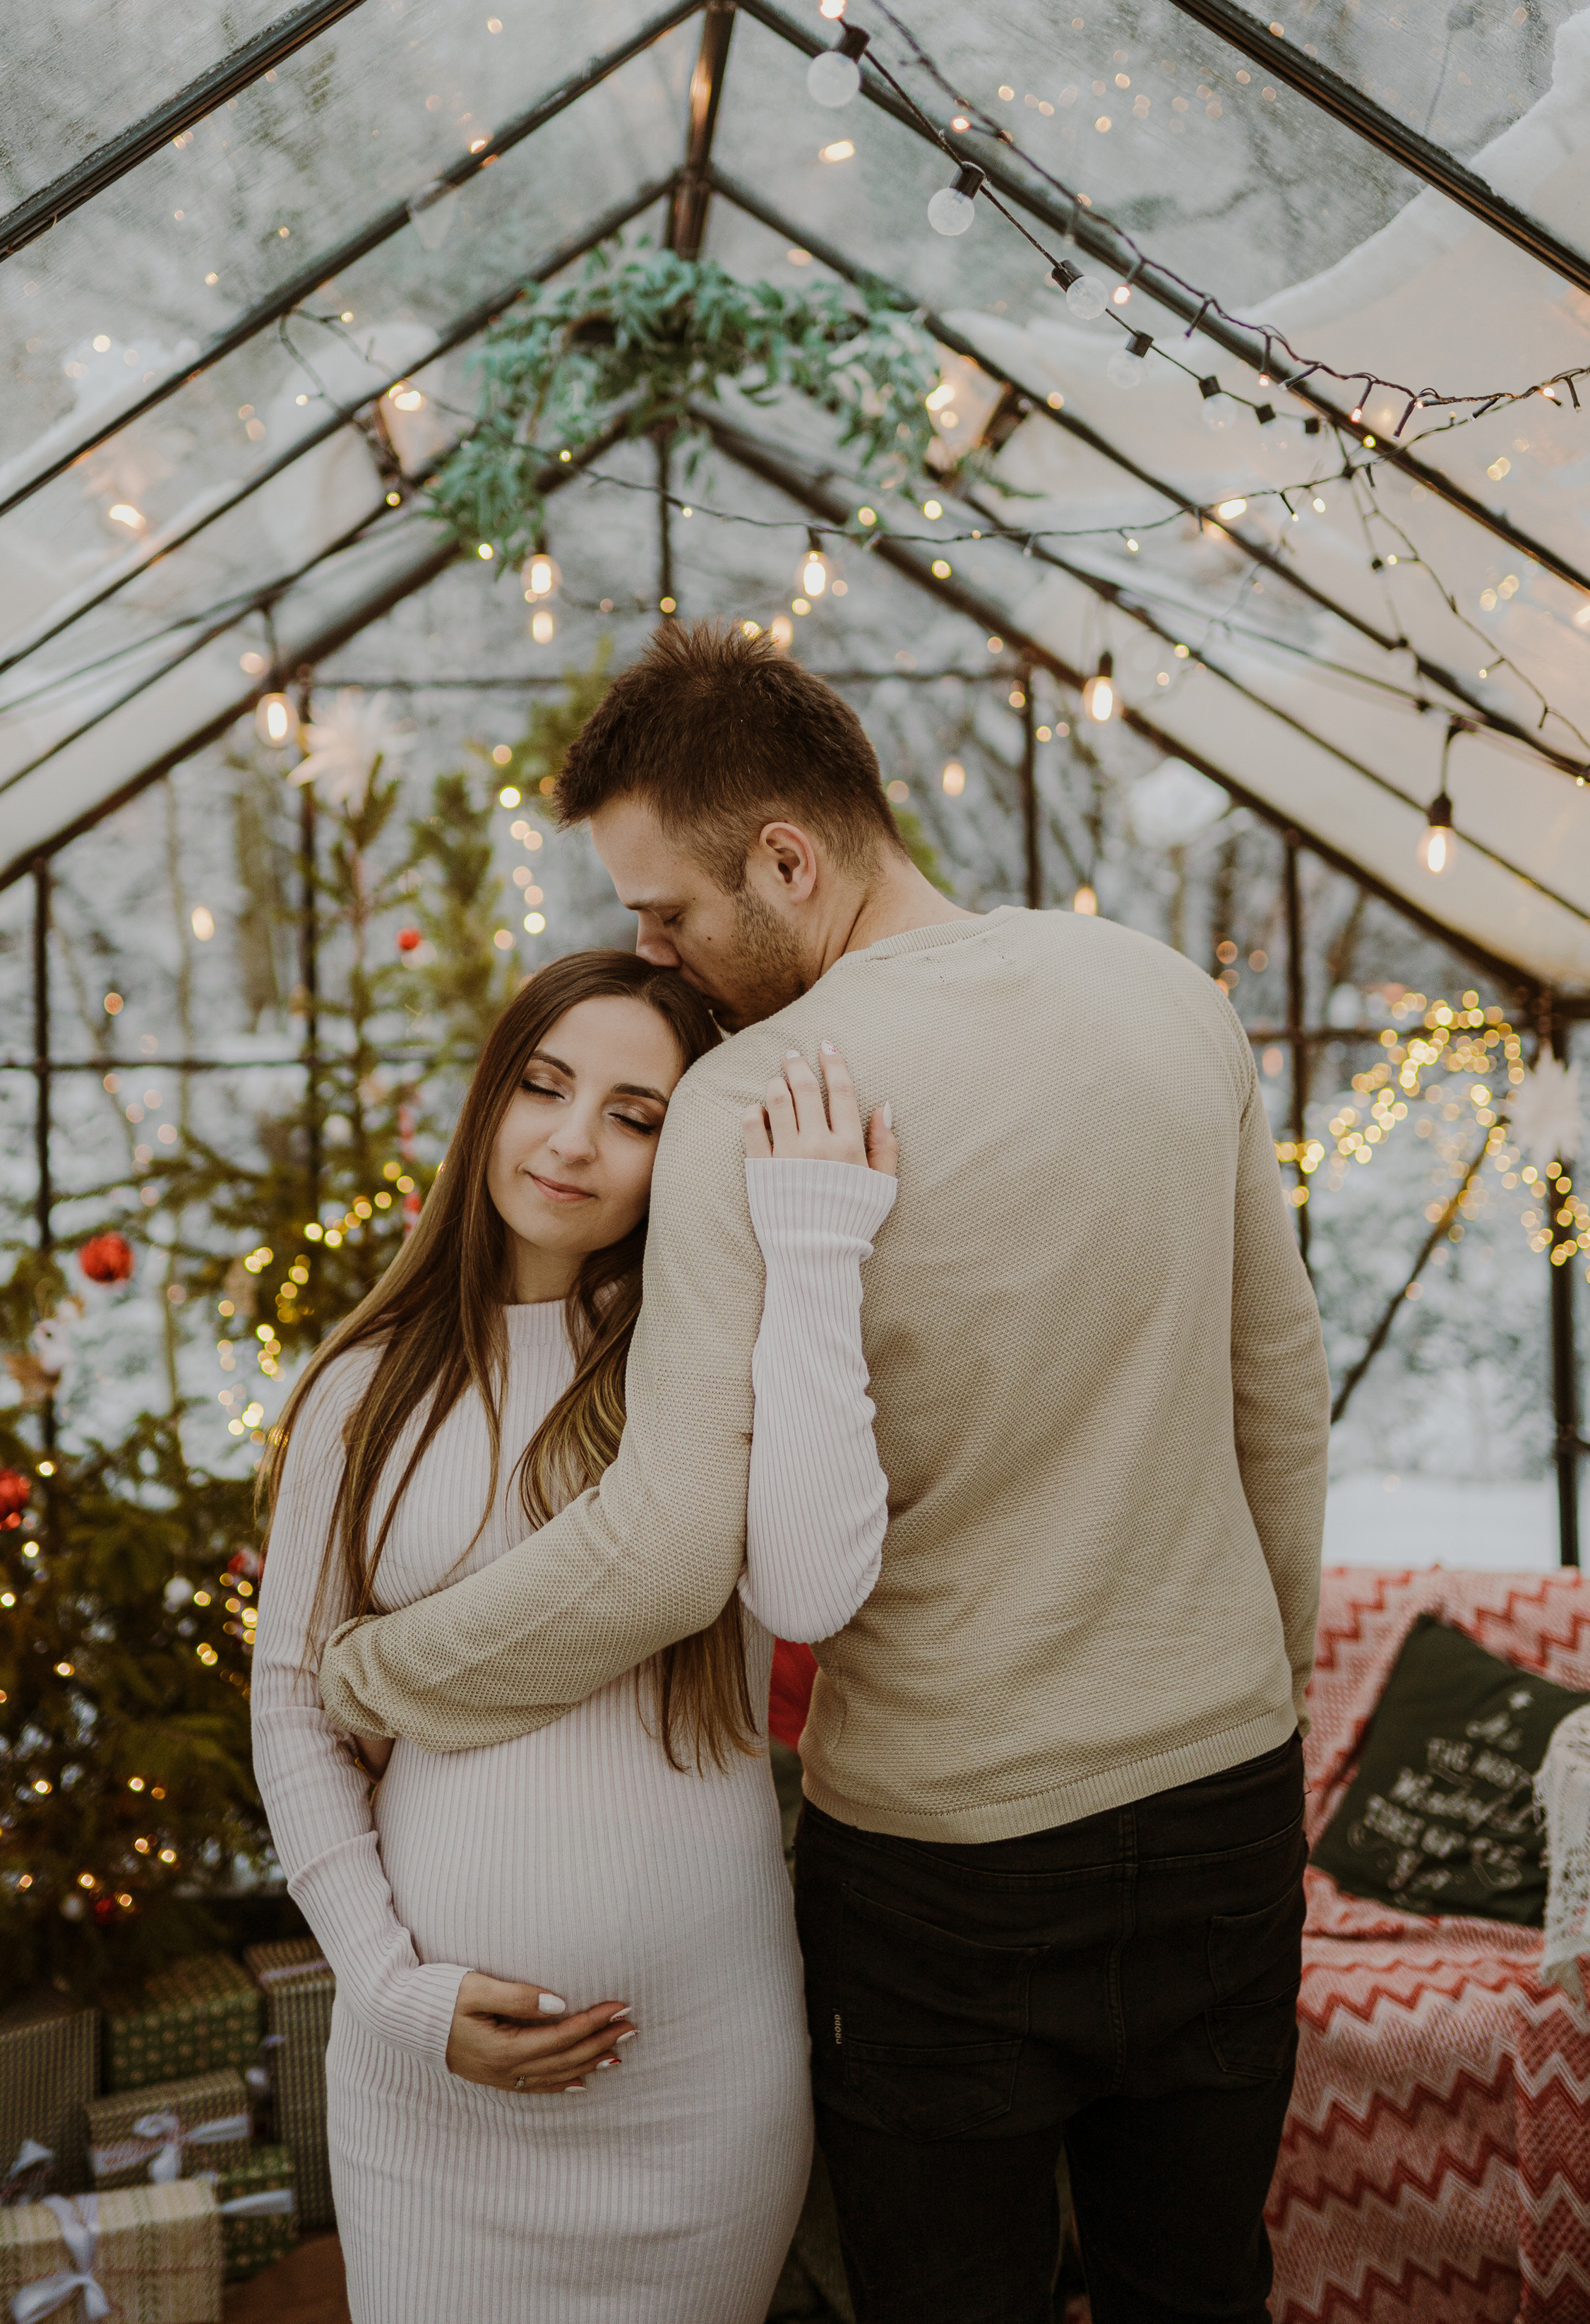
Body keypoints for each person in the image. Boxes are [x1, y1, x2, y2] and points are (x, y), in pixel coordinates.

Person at [321, 620, 1332, 2323]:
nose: (655, 951)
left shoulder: (760, 1098)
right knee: (1197, 2287)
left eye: (670, 914)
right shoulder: (1168, 995)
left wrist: (377, 1670)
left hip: (950, 1862)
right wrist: (1257, 1695)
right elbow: (1278, 1407)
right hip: (1222, 1797)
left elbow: (662, 1554)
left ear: (785, 858)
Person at [251, 945, 899, 2323]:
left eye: (635, 1114)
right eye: (543, 1086)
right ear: (489, 1098)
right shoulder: (362, 1392)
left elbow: (806, 1592)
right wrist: (390, 1995)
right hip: (429, 2113)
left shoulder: (696, 1365)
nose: (570, 1140)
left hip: (696, 2090)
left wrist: (814, 1244)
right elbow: (296, 1712)